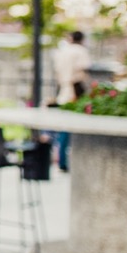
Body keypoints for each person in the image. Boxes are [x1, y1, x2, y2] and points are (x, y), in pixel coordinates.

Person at [52, 30, 91, 171]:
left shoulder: (61, 52)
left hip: (62, 90)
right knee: (76, 127)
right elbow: (83, 70)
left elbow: (57, 71)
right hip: (75, 90)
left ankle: (62, 161)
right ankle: (76, 162)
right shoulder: (80, 51)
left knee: (64, 127)